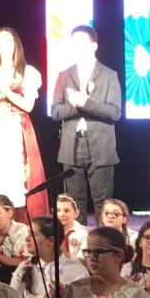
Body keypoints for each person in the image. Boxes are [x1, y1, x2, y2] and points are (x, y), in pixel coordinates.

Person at [0, 27, 48, 227]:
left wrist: (5, 90)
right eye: (0, 41)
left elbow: (28, 106)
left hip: (17, 127)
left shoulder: (28, 72)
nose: (4, 45)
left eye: (8, 41)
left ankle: (20, 227)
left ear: (15, 45)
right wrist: (0, 93)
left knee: (19, 178)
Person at [51, 25, 121, 228]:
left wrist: (86, 103)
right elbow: (55, 111)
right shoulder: (64, 75)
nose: (77, 46)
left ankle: (103, 241)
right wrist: (75, 105)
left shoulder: (108, 75)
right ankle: (76, 242)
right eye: (74, 42)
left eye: (82, 42)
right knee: (74, 202)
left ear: (94, 46)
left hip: (101, 146)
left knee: (103, 202)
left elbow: (115, 112)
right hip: (71, 145)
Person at [10, 216, 89, 298]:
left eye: (33, 234)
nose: (27, 238)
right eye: (28, 233)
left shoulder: (77, 270)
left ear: (51, 241)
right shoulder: (24, 267)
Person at [56, 193, 88, 260]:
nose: (62, 214)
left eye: (66, 211)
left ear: (76, 213)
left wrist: (67, 256)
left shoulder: (83, 233)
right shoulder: (49, 231)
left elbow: (84, 260)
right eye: (58, 210)